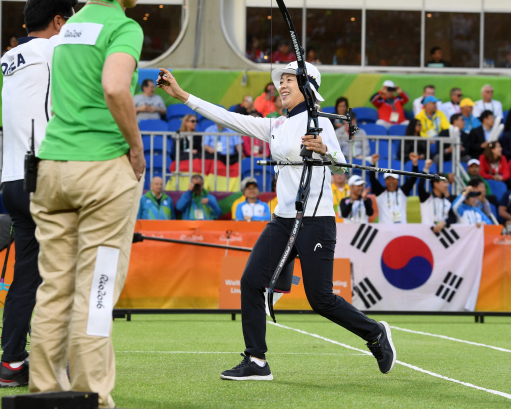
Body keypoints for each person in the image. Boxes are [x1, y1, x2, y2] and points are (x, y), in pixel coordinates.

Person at [157, 61, 396, 380]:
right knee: (251, 281)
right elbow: (230, 119)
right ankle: (256, 360)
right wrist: (183, 95)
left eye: (289, 80)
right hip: (283, 220)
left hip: (315, 220)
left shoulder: (321, 123)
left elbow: (341, 168)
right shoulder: (278, 126)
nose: (281, 85)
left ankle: (375, 333)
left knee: (321, 299)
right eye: (281, 80)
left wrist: (324, 151)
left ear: (308, 86)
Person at [28, 0, 147, 407]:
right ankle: (91, 393)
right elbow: (116, 87)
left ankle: (43, 391)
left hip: (52, 167)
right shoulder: (123, 26)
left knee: (54, 285)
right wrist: (136, 148)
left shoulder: (70, 25)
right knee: (96, 287)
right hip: (101, 170)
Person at [0, 0, 78, 389]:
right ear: (59, 22)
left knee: (27, 276)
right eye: (69, 20)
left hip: (13, 183)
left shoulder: (11, 56)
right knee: (69, 273)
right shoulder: (56, 47)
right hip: (47, 177)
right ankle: (54, 364)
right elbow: (97, 32)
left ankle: (12, 364)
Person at [369, 153, 419, 224]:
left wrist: (415, 163)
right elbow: (372, 179)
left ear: (398, 181)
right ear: (385, 181)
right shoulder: (380, 193)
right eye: (388, 179)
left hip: (401, 229)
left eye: (393, 179)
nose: (391, 182)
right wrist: (373, 163)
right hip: (384, 229)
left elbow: (413, 178)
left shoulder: (403, 192)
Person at [418, 160, 454, 231]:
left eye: (447, 183)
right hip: (426, 235)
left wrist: (444, 222)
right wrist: (425, 169)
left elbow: (453, 218)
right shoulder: (426, 197)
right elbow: (420, 186)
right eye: (444, 182)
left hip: (442, 237)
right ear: (435, 184)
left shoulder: (448, 200)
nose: (447, 185)